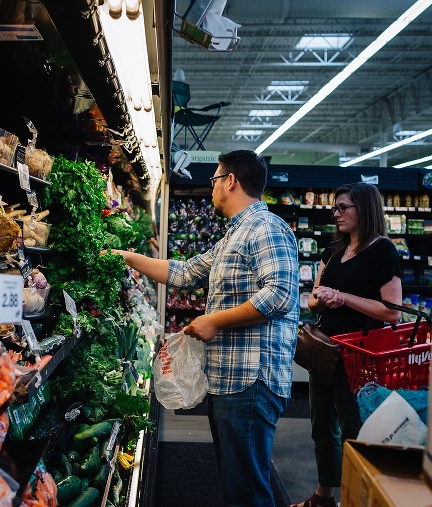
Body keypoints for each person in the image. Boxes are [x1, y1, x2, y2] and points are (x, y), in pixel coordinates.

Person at [107, 150, 299, 507]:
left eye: (213, 180)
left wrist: (213, 320)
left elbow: (280, 294)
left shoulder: (266, 228)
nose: (211, 190)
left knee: (249, 490)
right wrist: (125, 257)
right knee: (237, 482)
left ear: (230, 181)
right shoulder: (233, 237)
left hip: (251, 382)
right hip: (231, 379)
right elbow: (183, 272)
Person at [290, 183, 402, 507]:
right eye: (335, 208)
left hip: (360, 356)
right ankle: (324, 496)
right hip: (324, 352)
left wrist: (343, 297)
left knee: (355, 428)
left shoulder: (383, 252)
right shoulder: (333, 250)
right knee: (321, 426)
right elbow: (312, 301)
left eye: (343, 207)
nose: (336, 213)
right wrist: (321, 299)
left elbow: (392, 312)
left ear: (363, 210)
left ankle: (360, 498)